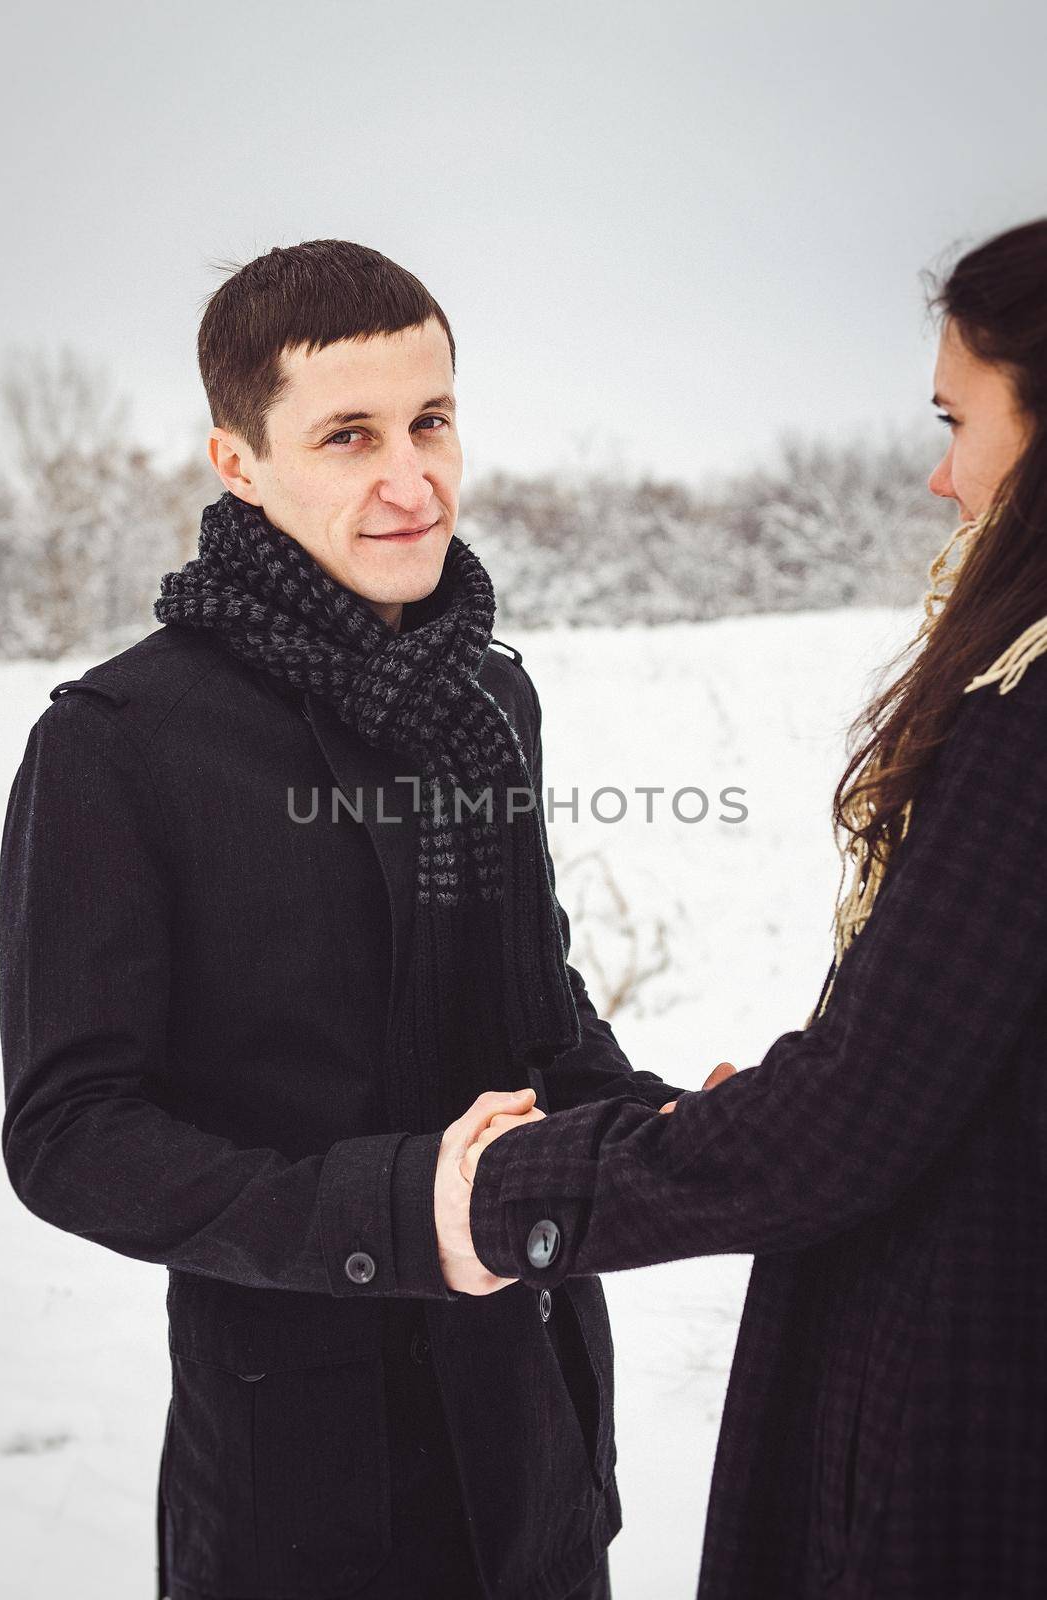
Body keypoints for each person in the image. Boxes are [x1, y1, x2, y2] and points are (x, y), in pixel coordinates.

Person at [0, 239, 690, 1600]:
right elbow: (71, 1133)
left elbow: (532, 1012)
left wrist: (691, 1128)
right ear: (240, 463)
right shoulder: (116, 744)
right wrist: (394, 1211)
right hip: (297, 1492)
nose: (411, 479)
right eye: (349, 434)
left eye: (432, 421)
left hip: (538, 1456)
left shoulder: (491, 699)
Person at [460, 217, 1047, 1599]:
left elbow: (863, 1118)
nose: (939, 471)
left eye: (961, 418)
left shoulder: (1028, 725)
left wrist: (512, 1194)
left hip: (977, 1392)